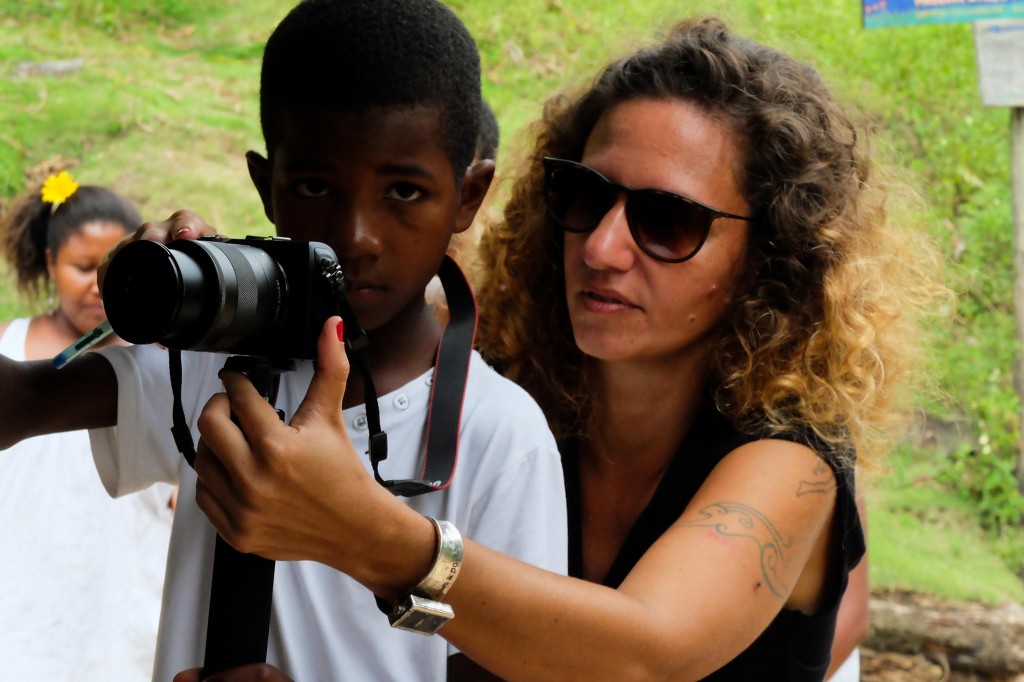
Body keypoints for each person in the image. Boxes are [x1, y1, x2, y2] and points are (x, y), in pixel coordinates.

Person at [183, 16, 942, 681]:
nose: (604, 247)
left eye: (667, 221)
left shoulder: (788, 460)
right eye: (586, 196)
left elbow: (643, 654)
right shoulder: (507, 389)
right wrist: (181, 276)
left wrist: (368, 535)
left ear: (768, 260)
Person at [0, 1, 566, 680]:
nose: (356, 235)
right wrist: (145, 299)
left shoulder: (500, 434)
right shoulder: (214, 365)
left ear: (468, 196)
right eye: (315, 185)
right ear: (266, 187)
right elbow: (21, 400)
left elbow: (520, 660)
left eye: (405, 192)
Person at [0, 172, 174, 681]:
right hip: (18, 607)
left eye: (113, 274)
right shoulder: (6, 351)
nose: (99, 290)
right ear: (50, 262)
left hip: (116, 622)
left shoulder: (160, 373)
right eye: (82, 268)